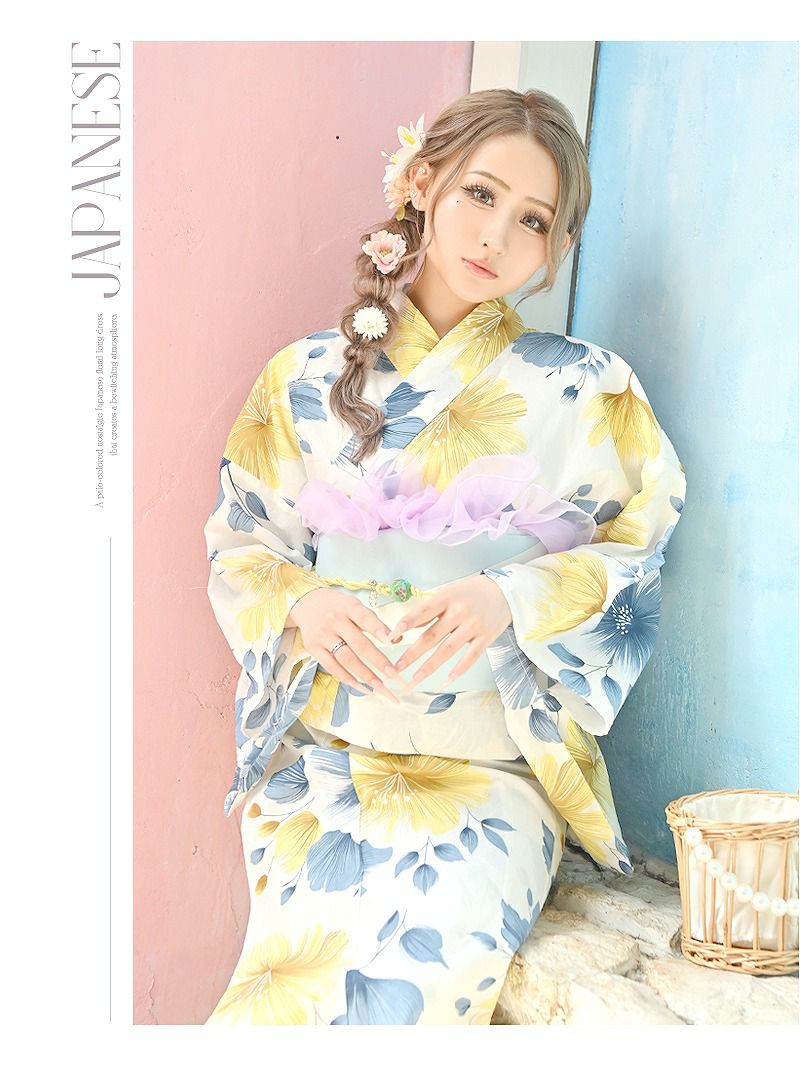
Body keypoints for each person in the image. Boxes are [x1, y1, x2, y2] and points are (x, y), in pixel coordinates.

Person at [201, 87, 687, 1025]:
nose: (497, 235)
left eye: (533, 219)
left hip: (492, 782)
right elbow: (242, 539)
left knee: (408, 999)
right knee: (275, 1006)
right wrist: (303, 601)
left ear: (556, 245)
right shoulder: (302, 377)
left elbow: (642, 543)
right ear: (422, 184)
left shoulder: (587, 387)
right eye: (480, 194)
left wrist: (513, 593)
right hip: (329, 765)